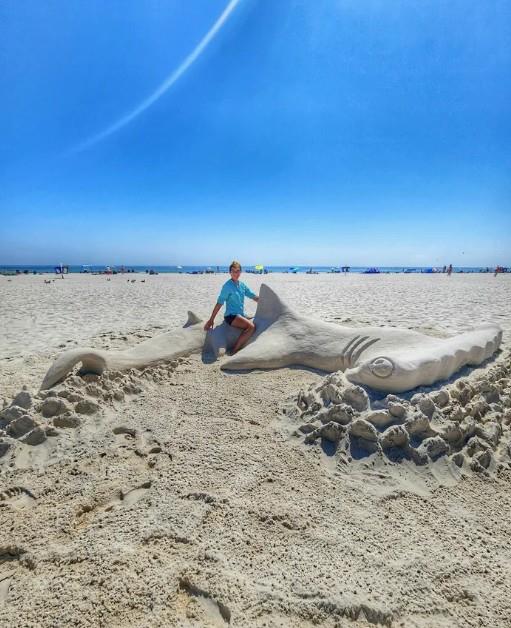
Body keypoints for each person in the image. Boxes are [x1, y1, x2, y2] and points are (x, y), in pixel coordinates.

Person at [204, 260, 259, 354]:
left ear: (240, 272)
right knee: (251, 327)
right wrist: (211, 319)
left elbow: (252, 295)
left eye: (238, 271)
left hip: (240, 315)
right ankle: (235, 350)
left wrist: (264, 300)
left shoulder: (242, 285)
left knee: (252, 318)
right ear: (230, 272)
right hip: (231, 316)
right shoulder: (227, 286)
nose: (235, 273)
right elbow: (219, 303)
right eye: (233, 271)